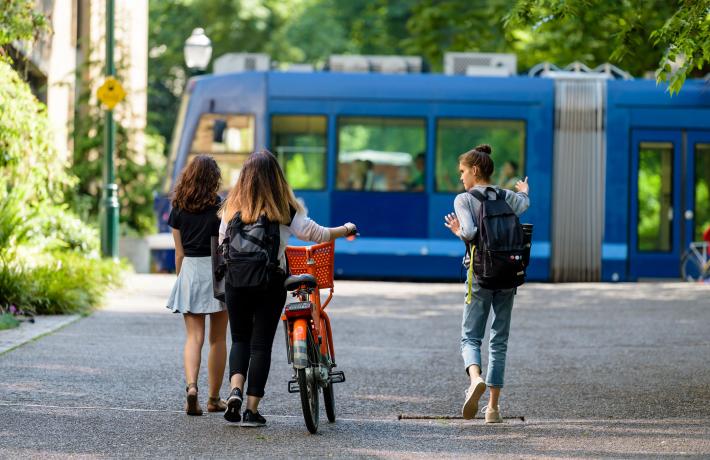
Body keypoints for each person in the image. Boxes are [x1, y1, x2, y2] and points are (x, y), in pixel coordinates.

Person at [218, 150, 357, 427]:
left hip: (236, 282)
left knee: (240, 339)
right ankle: (251, 410)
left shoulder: (232, 208)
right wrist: (346, 229)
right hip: (269, 282)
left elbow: (222, 243)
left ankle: (235, 390)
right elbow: (315, 234)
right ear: (276, 178)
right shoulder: (283, 208)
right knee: (260, 346)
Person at [443, 144, 530, 423]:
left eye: (462, 172)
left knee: (470, 336)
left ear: (475, 170)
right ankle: (492, 409)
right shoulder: (505, 195)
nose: (461, 178)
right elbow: (524, 204)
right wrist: (523, 191)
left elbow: (469, 231)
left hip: (479, 275)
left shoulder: (464, 200)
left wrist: (458, 231)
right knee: (499, 340)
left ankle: (475, 378)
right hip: (508, 275)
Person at [166, 155, 229, 416]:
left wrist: (181, 278)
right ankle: (214, 398)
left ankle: (192, 388)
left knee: (194, 337)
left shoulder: (178, 209)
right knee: (218, 339)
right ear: (213, 179)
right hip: (217, 269)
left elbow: (179, 253)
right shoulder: (221, 207)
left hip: (190, 269)